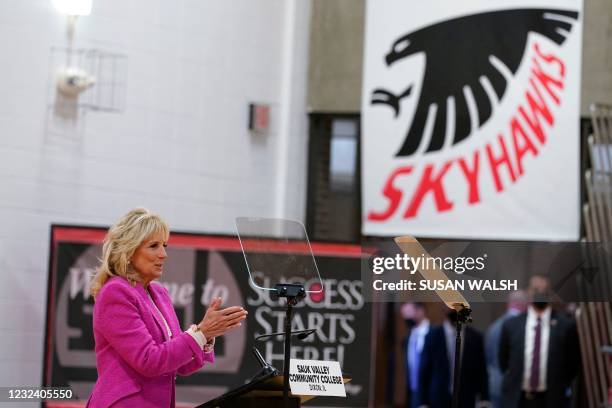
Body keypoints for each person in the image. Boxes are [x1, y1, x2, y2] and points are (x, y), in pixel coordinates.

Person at [86, 208, 248, 408]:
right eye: (153, 246)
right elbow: (149, 360)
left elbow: (183, 364)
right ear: (128, 251)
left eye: (164, 245)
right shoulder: (116, 292)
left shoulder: (159, 293)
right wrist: (200, 332)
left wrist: (205, 335)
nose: (164, 254)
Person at [499, 275, 580, 408]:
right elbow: (504, 362)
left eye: (544, 290)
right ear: (528, 292)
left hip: (551, 399)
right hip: (518, 399)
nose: (540, 294)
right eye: (536, 289)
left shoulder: (566, 326)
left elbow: (572, 364)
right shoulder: (511, 325)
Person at [417, 307, 489, 408]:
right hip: (438, 397)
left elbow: (481, 370)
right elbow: (424, 370)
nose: (454, 309)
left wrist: (484, 398)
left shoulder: (475, 337)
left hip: (466, 397)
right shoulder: (433, 336)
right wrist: (422, 402)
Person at [485, 290, 528, 408]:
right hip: (514, 387)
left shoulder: (494, 326)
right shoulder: (523, 327)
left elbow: (488, 359)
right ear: (525, 304)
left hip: (494, 385)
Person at [401, 302, 430, 408]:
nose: (406, 317)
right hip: (413, 394)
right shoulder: (407, 338)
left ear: (420, 311)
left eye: (409, 312)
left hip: (431, 394)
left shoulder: (435, 334)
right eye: (404, 314)